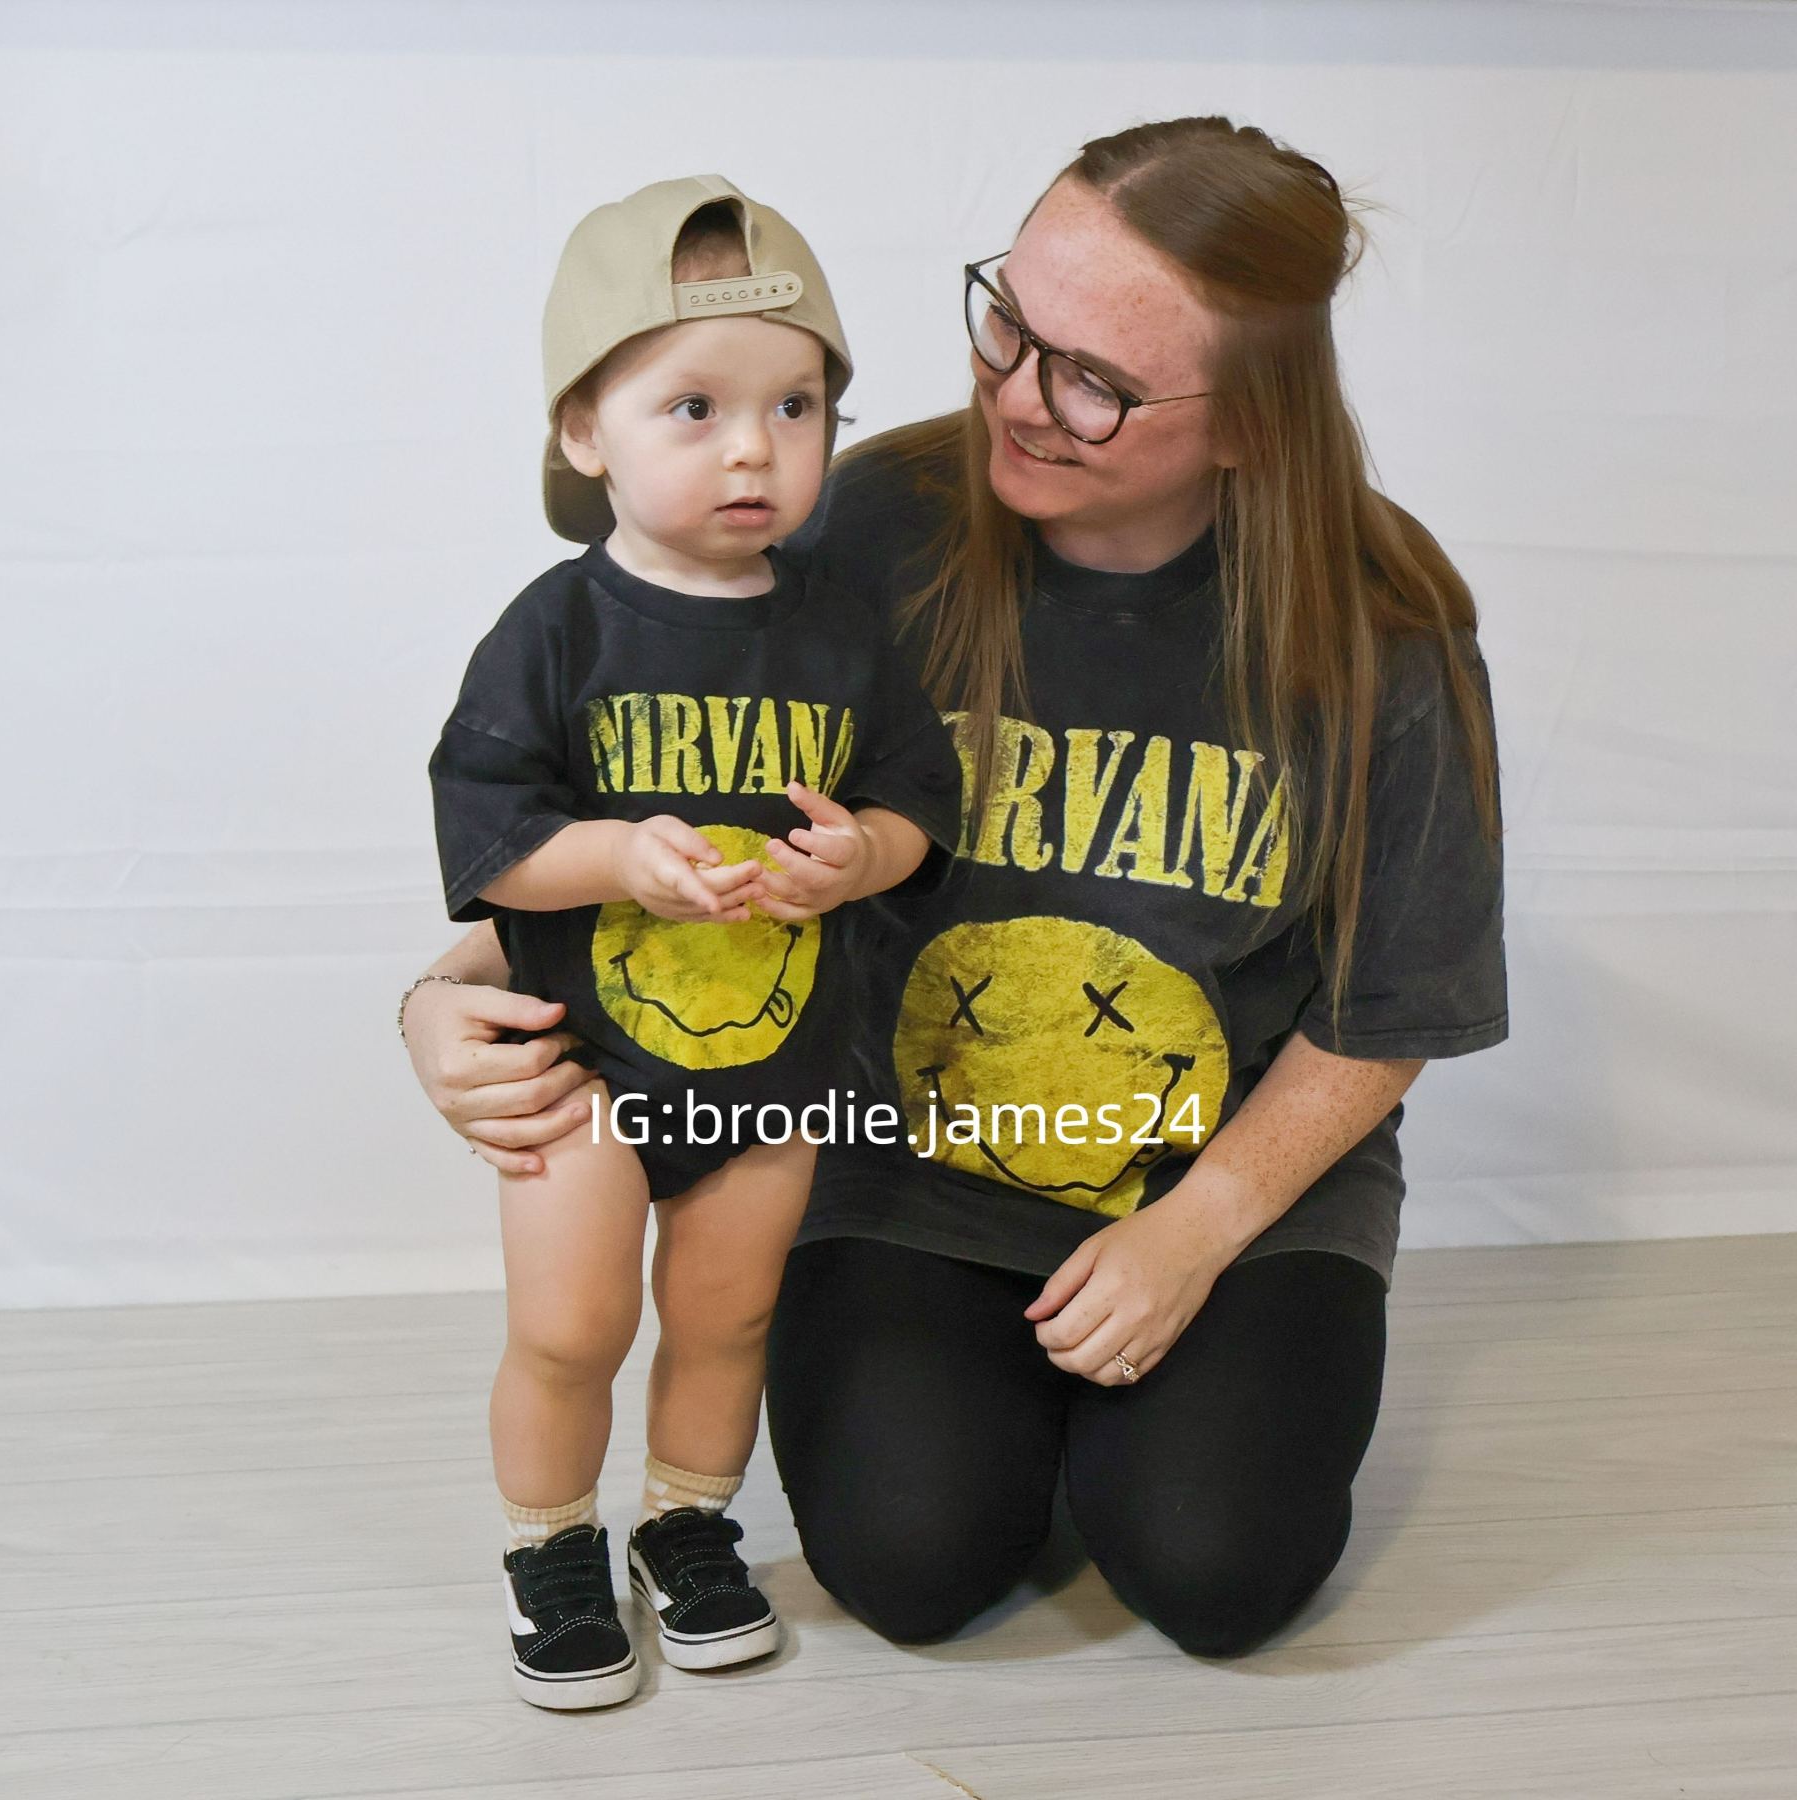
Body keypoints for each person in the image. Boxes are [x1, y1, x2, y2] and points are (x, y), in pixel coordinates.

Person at [402, 117, 1508, 1661]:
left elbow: (1393, 1002)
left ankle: (1140, 1413)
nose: (1017, 398)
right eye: (1010, 323)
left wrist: (1194, 1235)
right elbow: (669, 831)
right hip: (902, 1161)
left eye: (1095, 381)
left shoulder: (1379, 620)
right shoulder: (859, 523)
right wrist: (446, 995)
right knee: (911, 1566)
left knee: (1216, 1572)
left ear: (1252, 423)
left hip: (1230, 1180)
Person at [417, 173, 963, 1709]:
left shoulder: (845, 630)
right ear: (584, 432)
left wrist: (860, 860)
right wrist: (612, 855)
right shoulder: (558, 630)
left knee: (726, 1316)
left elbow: (917, 797)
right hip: (587, 1062)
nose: (754, 447)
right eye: (695, 406)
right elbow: (488, 835)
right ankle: (548, 1546)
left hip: (775, 1059)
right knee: (575, 1322)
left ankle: (690, 1526)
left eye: (798, 407)